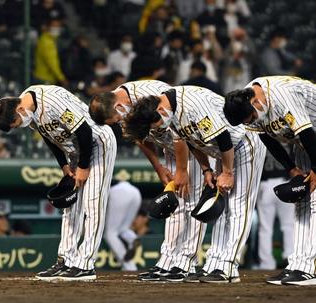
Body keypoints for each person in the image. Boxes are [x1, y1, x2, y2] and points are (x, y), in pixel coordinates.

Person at [124, 85, 266, 283]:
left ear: (160, 111)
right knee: (222, 208)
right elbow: (192, 141)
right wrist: (206, 169)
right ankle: (214, 264)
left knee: (237, 206)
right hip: (220, 152)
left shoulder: (191, 104)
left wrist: (227, 173)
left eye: (154, 125)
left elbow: (224, 138)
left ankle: (227, 265)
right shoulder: (171, 112)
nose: (155, 131)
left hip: (242, 145)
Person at [0, 85, 117, 281]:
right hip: (75, 150)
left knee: (93, 203)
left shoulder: (49, 102)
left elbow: (84, 131)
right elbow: (47, 135)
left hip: (97, 143)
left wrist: (83, 167)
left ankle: (85, 264)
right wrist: (64, 165)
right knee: (70, 206)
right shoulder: (28, 107)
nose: (18, 126)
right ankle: (66, 260)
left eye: (15, 123)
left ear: (20, 110)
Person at [89, 80, 207, 282]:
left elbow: (181, 132)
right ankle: (169, 262)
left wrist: (181, 170)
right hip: (171, 148)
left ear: (118, 106)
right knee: (174, 204)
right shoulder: (123, 108)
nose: (118, 121)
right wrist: (159, 167)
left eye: (115, 118)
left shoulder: (150, 94)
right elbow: (139, 137)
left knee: (192, 201)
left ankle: (188, 263)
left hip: (194, 144)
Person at [223, 75, 316, 285]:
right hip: (303, 142)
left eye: (252, 115)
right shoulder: (245, 100)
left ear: (255, 101)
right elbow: (267, 138)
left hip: (311, 134)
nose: (253, 120)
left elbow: (308, 132)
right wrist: (291, 168)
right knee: (301, 201)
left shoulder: (282, 95)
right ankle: (299, 265)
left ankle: (309, 268)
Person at [256, 151, 294, 270]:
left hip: (266, 184)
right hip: (285, 183)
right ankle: (291, 259)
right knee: (289, 225)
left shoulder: (261, 139)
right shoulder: (287, 137)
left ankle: (266, 263)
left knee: (265, 228)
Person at [104, 180, 142, 271]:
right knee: (123, 228)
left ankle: (129, 266)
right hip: (136, 192)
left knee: (110, 234)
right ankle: (132, 238)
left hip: (118, 191)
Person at [33, 18, 68, 86]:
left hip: (46, 78)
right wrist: (61, 78)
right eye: (54, 26)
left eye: (58, 26)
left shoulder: (49, 39)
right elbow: (51, 62)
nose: (56, 28)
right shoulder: (47, 41)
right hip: (44, 78)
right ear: (48, 27)